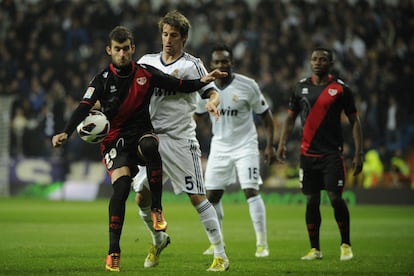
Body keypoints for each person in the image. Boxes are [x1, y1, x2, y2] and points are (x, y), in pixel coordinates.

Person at [51, 25, 226, 272]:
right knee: (128, 193)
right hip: (116, 140)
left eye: (125, 49)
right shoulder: (105, 77)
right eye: (117, 50)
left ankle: (216, 252)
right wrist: (66, 132)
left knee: (191, 189)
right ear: (109, 50)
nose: (122, 54)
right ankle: (141, 244)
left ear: (132, 49)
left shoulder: (151, 70)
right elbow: (84, 104)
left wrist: (204, 84)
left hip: (167, 137)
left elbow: (177, 84)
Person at [132, 10, 229, 272]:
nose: (168, 39)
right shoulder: (146, 62)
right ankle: (158, 239)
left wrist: (211, 103)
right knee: (141, 199)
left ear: (184, 38)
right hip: (151, 140)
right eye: (165, 34)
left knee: (197, 197)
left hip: (180, 141)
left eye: (174, 35)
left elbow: (212, 92)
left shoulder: (192, 65)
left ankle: (220, 255)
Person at [276, 47, 363, 261]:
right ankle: (315, 249)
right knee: (311, 201)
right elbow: (290, 118)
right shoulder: (300, 87)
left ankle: (345, 244)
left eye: (323, 59)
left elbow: (354, 121)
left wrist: (359, 152)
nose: (317, 62)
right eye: (314, 59)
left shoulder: (340, 89)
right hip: (307, 156)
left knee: (335, 199)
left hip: (332, 155)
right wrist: (282, 142)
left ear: (331, 63)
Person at [194, 43, 275, 258]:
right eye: (217, 62)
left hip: (245, 145)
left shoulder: (248, 86)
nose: (221, 65)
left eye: (225, 61)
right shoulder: (205, 90)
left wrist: (269, 146)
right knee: (211, 197)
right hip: (219, 146)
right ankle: (216, 242)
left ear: (232, 63)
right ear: (211, 65)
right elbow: (196, 116)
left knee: (250, 190)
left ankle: (262, 243)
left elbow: (267, 116)